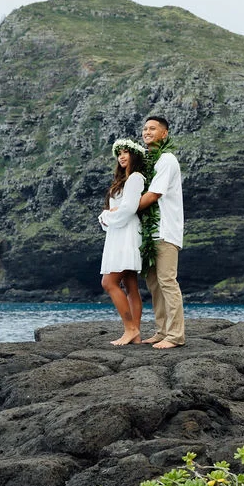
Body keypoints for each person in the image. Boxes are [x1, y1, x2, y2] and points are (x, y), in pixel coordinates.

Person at [137, 115, 185, 349]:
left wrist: (125, 209)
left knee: (167, 281)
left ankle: (175, 336)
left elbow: (154, 194)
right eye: (145, 128)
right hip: (150, 233)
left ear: (164, 134)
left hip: (166, 230)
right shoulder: (148, 160)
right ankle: (162, 331)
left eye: (153, 128)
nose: (147, 132)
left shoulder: (166, 159)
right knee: (154, 284)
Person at [98, 139, 147, 345]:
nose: (122, 156)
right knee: (130, 285)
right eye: (119, 153)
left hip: (126, 233)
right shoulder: (123, 180)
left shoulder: (135, 178)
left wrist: (106, 216)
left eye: (126, 152)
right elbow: (119, 208)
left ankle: (130, 328)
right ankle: (135, 334)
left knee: (108, 282)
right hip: (118, 232)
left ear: (134, 155)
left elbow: (128, 209)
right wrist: (109, 215)